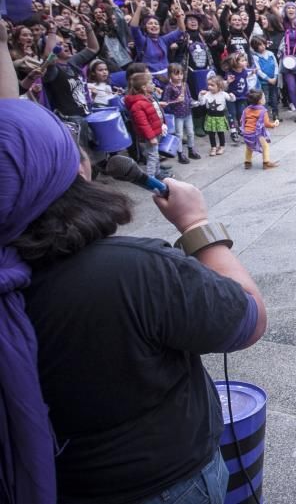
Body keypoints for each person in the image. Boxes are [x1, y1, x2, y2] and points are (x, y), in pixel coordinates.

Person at [0, 87, 267, 501]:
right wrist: (197, 224)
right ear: (74, 170)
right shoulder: (135, 271)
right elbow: (248, 319)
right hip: (166, 483)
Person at [125, 71, 170, 181]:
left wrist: (159, 105)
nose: (154, 85)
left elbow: (152, 112)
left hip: (156, 131)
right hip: (151, 135)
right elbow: (143, 124)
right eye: (151, 83)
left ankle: (158, 173)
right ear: (144, 87)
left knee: (155, 153)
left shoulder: (148, 97)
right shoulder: (137, 105)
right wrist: (151, 137)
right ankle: (151, 179)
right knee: (152, 156)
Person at [241, 88, 279, 169]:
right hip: (256, 134)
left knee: (249, 147)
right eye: (264, 97)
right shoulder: (262, 111)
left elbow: (242, 120)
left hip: (246, 133)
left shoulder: (247, 109)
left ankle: (247, 162)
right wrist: (274, 124)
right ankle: (266, 163)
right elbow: (266, 124)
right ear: (260, 101)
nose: (264, 99)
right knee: (265, 146)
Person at [199, 75, 235, 156]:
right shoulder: (207, 94)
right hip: (210, 116)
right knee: (211, 133)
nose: (209, 87)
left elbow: (231, 100)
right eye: (208, 85)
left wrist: (232, 96)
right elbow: (202, 103)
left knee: (220, 133)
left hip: (220, 117)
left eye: (212, 85)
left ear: (219, 86)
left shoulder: (223, 94)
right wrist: (201, 95)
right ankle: (213, 147)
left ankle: (221, 146)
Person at [251, 35, 280, 123]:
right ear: (255, 46)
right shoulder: (255, 56)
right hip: (264, 82)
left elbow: (276, 65)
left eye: (264, 44)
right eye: (260, 45)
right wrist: (268, 79)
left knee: (275, 97)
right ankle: (265, 116)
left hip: (274, 79)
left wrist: (275, 76)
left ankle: (276, 114)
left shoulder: (271, 54)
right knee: (265, 99)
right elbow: (258, 70)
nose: (263, 46)